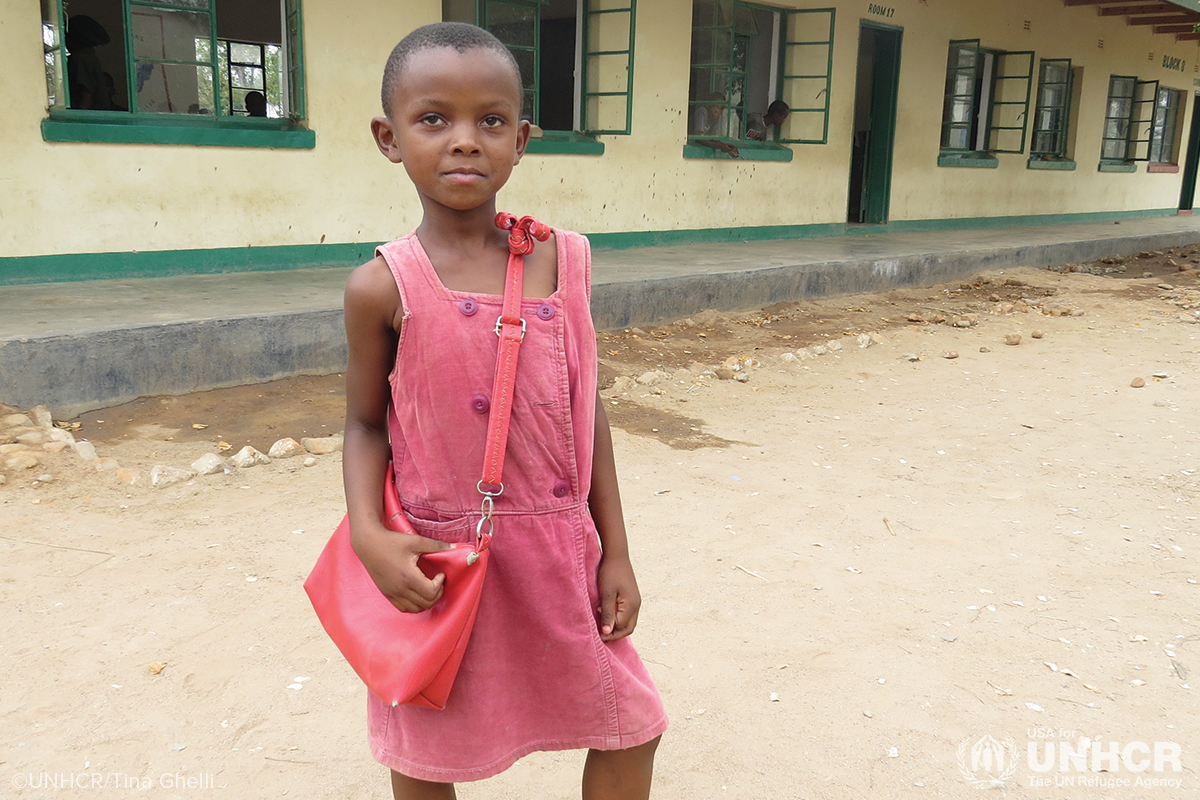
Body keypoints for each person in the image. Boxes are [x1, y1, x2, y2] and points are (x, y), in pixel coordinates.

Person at [341, 21, 667, 800]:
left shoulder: (562, 261)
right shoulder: (382, 287)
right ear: (389, 138)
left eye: (490, 121)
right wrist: (369, 536)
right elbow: (363, 424)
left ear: (522, 140)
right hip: (440, 558)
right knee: (429, 748)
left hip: (558, 547)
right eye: (434, 119)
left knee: (630, 724)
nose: (464, 141)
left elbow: (585, 409)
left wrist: (614, 550)